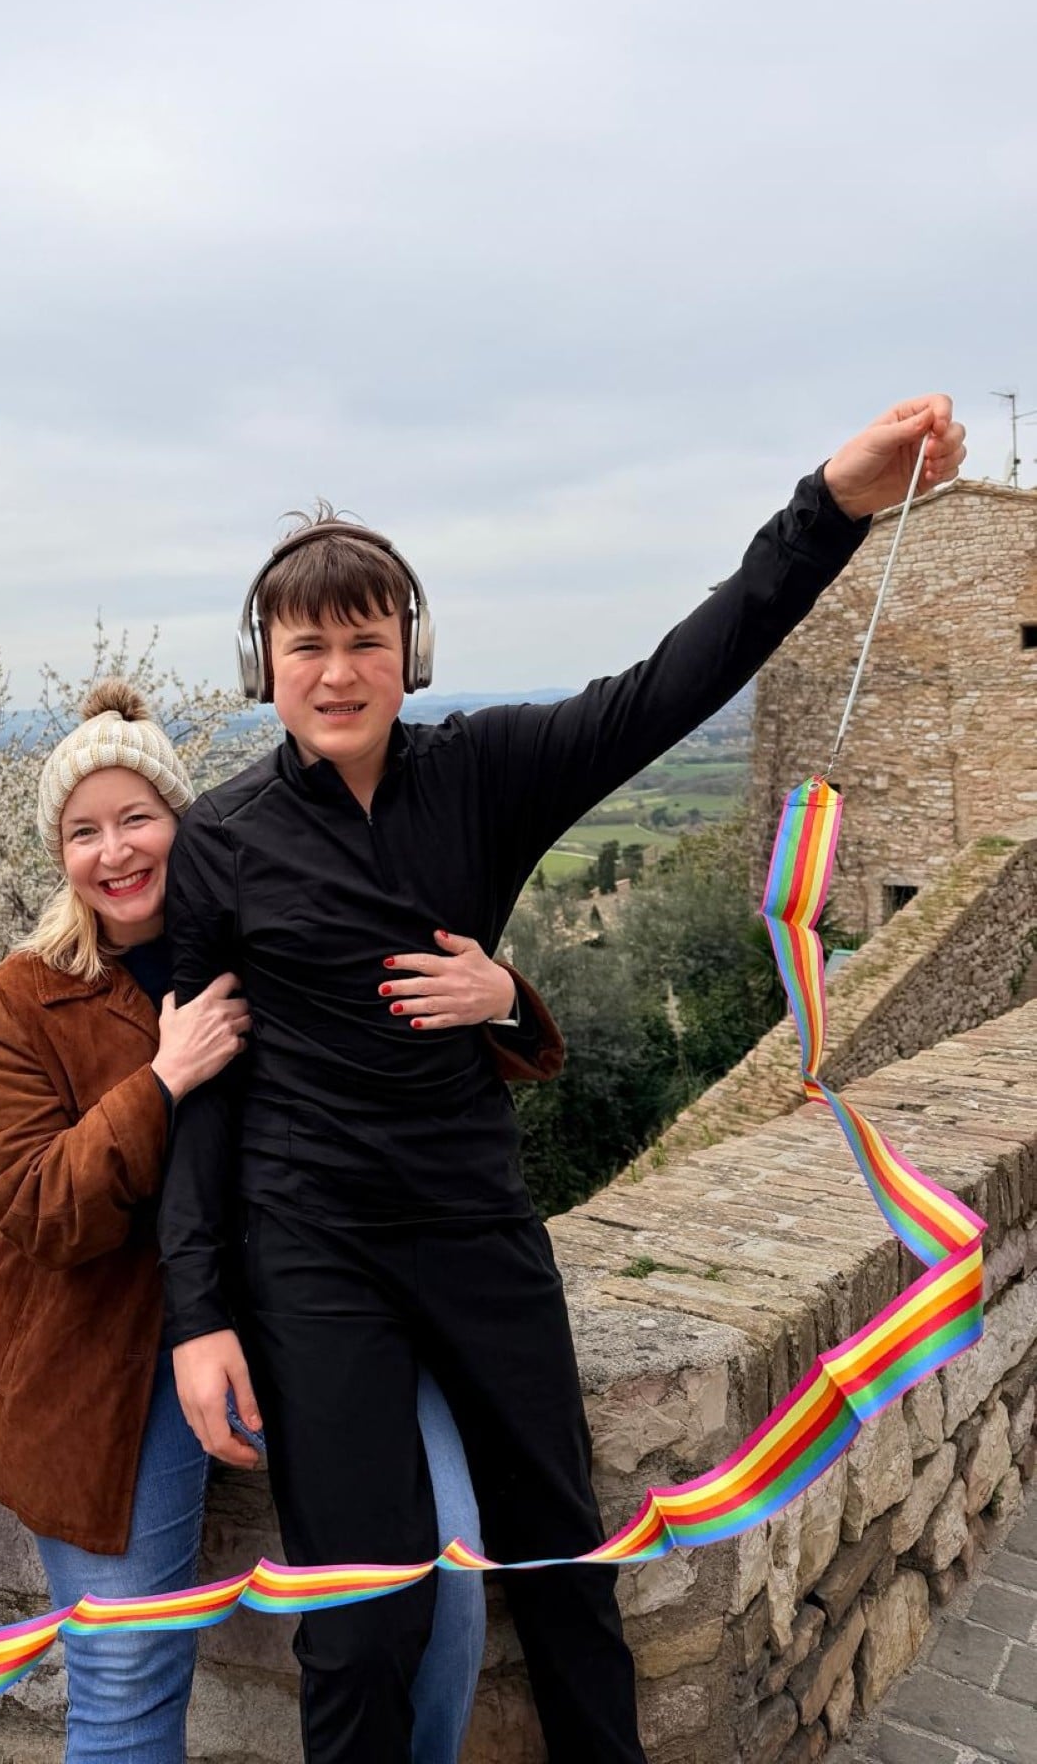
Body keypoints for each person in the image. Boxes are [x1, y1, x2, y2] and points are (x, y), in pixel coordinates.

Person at [160, 397, 968, 1764]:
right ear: (268, 666)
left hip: (474, 1222)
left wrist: (832, 502)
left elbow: (677, 681)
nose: (340, 669)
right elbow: (201, 1090)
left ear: (409, 656)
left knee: (566, 1570)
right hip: (313, 1248)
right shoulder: (221, 843)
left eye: (367, 639)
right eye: (311, 645)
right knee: (359, 1617)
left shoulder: (483, 772)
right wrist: (197, 1312)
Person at [0, 679, 566, 1764]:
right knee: (126, 1674)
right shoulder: (23, 997)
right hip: (105, 1362)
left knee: (447, 1593)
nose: (115, 851)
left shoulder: (264, 933)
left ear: (185, 823)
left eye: (137, 817)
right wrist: (163, 1077)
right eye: (83, 829)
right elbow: (41, 1206)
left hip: (310, 1307)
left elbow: (404, 1047)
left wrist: (506, 998)